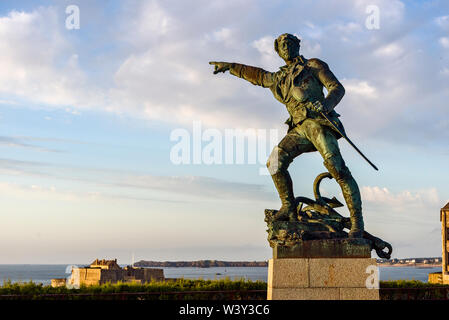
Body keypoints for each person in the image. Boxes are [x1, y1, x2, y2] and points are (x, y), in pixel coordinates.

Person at [209, 33, 364, 238]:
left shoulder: (313, 65)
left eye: (289, 43)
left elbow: (337, 88)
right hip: (298, 129)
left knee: (338, 170)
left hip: (318, 124)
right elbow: (258, 76)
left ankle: (357, 222)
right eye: (281, 45)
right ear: (278, 51)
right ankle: (289, 207)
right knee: (274, 162)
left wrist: (326, 105)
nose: (286, 46)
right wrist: (231, 67)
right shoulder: (279, 78)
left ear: (298, 46)